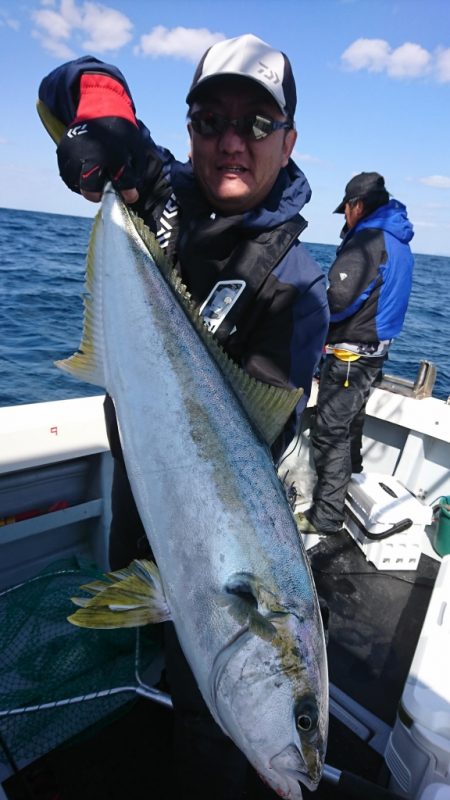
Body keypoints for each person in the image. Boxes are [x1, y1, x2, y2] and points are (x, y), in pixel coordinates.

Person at [38, 34, 329, 799]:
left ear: (289, 140)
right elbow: (62, 87)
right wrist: (104, 122)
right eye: (212, 119)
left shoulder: (295, 289)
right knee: (146, 670)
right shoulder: (154, 186)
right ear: (190, 126)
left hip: (197, 544)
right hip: (149, 514)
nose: (233, 142)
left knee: (205, 737)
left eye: (258, 125)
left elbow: (247, 440)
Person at [296, 171, 414, 537]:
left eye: (345, 209)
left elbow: (338, 299)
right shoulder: (399, 240)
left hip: (349, 359)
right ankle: (348, 492)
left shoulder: (368, 240)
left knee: (330, 433)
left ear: (357, 205)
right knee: (350, 428)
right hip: (374, 356)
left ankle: (326, 517)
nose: (344, 218)